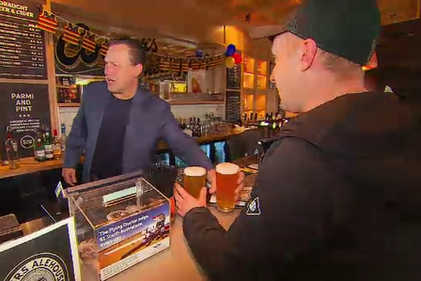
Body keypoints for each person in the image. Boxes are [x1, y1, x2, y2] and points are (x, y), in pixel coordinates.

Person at [174, 0, 421, 280]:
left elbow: (233, 267)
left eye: (277, 60)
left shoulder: (305, 151)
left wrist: (196, 213)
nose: (273, 74)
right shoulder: (403, 116)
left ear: (306, 53)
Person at [62, 37, 214, 185]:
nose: (107, 71)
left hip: (133, 191)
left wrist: (209, 169)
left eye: (115, 65)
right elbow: (79, 131)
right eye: (107, 63)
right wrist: (70, 162)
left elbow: (182, 143)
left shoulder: (156, 108)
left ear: (136, 70)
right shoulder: (92, 93)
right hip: (93, 184)